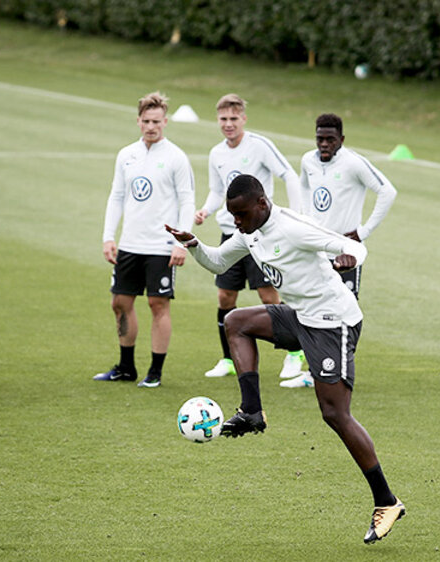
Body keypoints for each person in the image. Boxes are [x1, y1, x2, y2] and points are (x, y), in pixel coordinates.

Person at [166, 174, 405, 544]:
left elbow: (356, 249)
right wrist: (194, 243)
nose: (237, 223)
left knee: (334, 414)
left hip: (333, 323)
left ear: (262, 204)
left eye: (241, 215)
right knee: (236, 323)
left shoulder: (294, 228)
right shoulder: (250, 231)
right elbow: (216, 263)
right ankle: (252, 412)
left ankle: (387, 502)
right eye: (233, 217)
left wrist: (347, 258)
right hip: (301, 316)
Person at [195, 94, 305, 381]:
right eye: (223, 119)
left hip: (259, 234)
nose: (228, 124)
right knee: (225, 296)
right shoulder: (216, 153)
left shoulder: (260, 146)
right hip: (230, 232)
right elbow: (218, 191)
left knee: (268, 295)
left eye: (234, 118)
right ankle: (228, 359)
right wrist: (206, 210)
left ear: (244, 119)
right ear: (217, 120)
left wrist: (296, 215)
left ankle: (294, 354)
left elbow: (289, 175)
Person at [286, 113, 398, 388]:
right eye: (319, 138)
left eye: (330, 139)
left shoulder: (354, 164)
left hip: (344, 254)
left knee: (343, 311)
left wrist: (363, 231)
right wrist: (303, 221)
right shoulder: (308, 161)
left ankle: (337, 370)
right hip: (314, 251)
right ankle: (316, 371)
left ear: (341, 140)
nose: (324, 144)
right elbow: (303, 189)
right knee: (311, 308)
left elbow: (387, 191)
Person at [95, 92, 195, 388]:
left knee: (157, 304)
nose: (152, 126)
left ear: (165, 122)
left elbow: (187, 201)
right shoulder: (126, 155)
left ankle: (155, 371)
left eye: (157, 121)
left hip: (160, 246)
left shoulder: (176, 157)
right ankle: (126, 367)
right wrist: (108, 237)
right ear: (138, 121)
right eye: (146, 121)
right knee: (120, 302)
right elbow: (117, 196)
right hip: (130, 244)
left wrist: (181, 243)